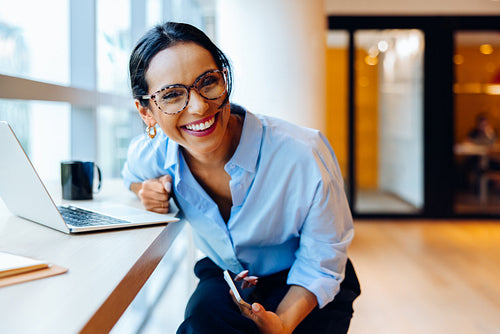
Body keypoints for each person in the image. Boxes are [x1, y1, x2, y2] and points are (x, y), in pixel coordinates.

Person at [122, 22, 360, 334]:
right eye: (171, 95)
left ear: (223, 77)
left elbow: (322, 260)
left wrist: (283, 323)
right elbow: (131, 175)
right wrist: (145, 189)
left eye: (208, 82)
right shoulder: (155, 153)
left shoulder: (303, 154)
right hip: (228, 276)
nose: (198, 106)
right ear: (146, 112)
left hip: (303, 281)